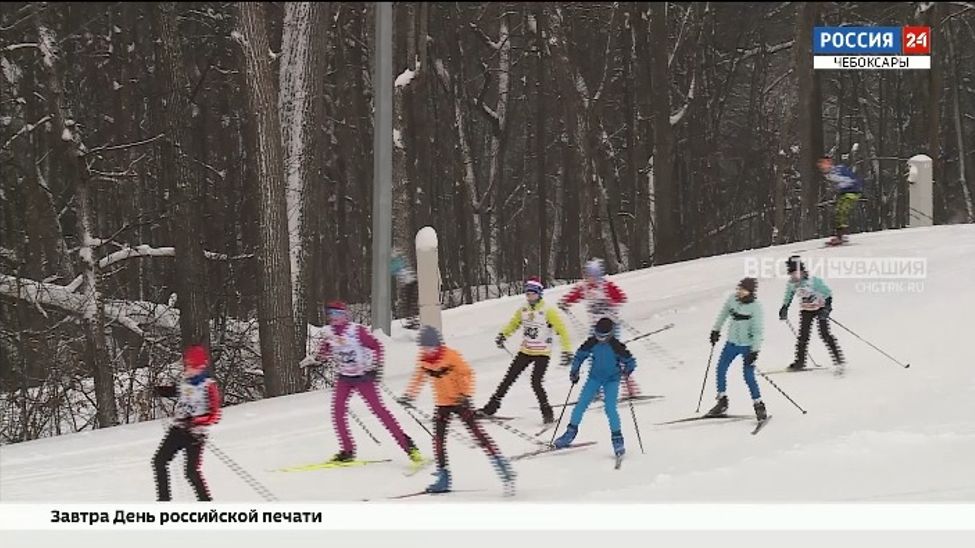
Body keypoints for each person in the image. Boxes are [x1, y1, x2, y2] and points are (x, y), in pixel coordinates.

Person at [399, 325, 515, 495]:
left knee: (478, 434)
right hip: (442, 404)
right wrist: (409, 395)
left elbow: (468, 374)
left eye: (431, 347)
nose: (429, 351)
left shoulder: (451, 356)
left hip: (460, 401)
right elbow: (418, 377)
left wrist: (466, 394)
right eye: (425, 347)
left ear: (438, 345)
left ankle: (502, 467)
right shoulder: (423, 359)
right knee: (438, 440)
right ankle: (443, 478)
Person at [313, 300, 424, 465]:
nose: (335, 318)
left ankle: (409, 447)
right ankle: (347, 451)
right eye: (331, 314)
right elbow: (325, 352)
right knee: (337, 413)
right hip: (345, 378)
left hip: (363, 377)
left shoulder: (356, 331)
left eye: (338, 314)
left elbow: (377, 347)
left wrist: (375, 368)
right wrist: (318, 357)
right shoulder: (329, 333)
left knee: (380, 412)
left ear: (345, 315)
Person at [480, 277, 572, 424]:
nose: (529, 297)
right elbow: (513, 324)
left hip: (542, 353)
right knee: (509, 378)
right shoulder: (523, 309)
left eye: (532, 294)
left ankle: (547, 412)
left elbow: (562, 331)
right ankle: (490, 407)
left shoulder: (548, 310)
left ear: (539, 294)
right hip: (526, 351)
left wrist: (567, 351)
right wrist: (503, 335)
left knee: (535, 382)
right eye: (527, 294)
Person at [552, 318, 636, 458]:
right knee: (580, 406)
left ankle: (617, 440)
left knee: (610, 409)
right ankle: (569, 434)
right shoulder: (592, 342)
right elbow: (579, 356)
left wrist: (627, 370)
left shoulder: (616, 346)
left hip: (612, 380)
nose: (600, 338)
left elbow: (630, 361)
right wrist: (574, 371)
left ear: (610, 334)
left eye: (603, 336)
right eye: (598, 335)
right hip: (594, 379)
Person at [558, 258, 641, 397]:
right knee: (594, 357)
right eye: (589, 275)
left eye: (594, 275)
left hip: (610, 326)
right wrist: (565, 303)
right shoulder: (583, 287)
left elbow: (621, 297)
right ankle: (596, 389)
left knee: (615, 357)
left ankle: (630, 388)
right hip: (595, 328)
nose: (591, 279)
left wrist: (610, 303)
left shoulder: (605, 286)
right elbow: (573, 296)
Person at [152, 344, 221, 501]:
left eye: (192, 366)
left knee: (191, 472)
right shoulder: (185, 382)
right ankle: (164, 500)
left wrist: (196, 421)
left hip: (195, 434)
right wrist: (161, 391)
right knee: (159, 461)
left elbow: (214, 414)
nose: (188, 369)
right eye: (187, 365)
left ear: (201, 366)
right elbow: (178, 392)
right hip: (178, 429)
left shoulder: (208, 386)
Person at [706, 278, 767, 421]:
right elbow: (723, 314)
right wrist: (716, 330)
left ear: (750, 292)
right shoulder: (732, 299)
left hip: (747, 346)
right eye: (739, 288)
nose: (739, 291)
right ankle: (722, 401)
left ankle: (759, 405)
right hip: (731, 344)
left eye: (743, 290)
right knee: (720, 369)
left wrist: (754, 351)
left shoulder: (755, 307)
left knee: (748, 376)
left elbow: (758, 332)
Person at [779, 256, 845, 374]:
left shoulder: (813, 281)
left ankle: (839, 360)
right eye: (793, 274)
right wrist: (784, 308)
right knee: (803, 336)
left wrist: (826, 309)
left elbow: (828, 294)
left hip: (820, 308)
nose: (795, 276)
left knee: (824, 334)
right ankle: (800, 362)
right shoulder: (792, 284)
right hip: (806, 310)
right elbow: (788, 296)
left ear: (803, 271)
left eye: (797, 273)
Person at [818, 156, 864, 245]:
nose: (822, 166)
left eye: (824, 163)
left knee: (842, 211)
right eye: (820, 165)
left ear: (829, 163)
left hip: (852, 192)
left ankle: (843, 236)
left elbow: (849, 180)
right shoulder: (829, 174)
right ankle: (840, 235)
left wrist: (841, 185)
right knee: (838, 212)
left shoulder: (837, 170)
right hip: (844, 193)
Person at [390, 248, 419, 329]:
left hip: (409, 282)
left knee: (409, 303)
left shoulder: (396, 261)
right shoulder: (401, 259)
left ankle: (413, 321)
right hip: (409, 281)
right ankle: (412, 321)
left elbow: (393, 269)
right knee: (409, 303)